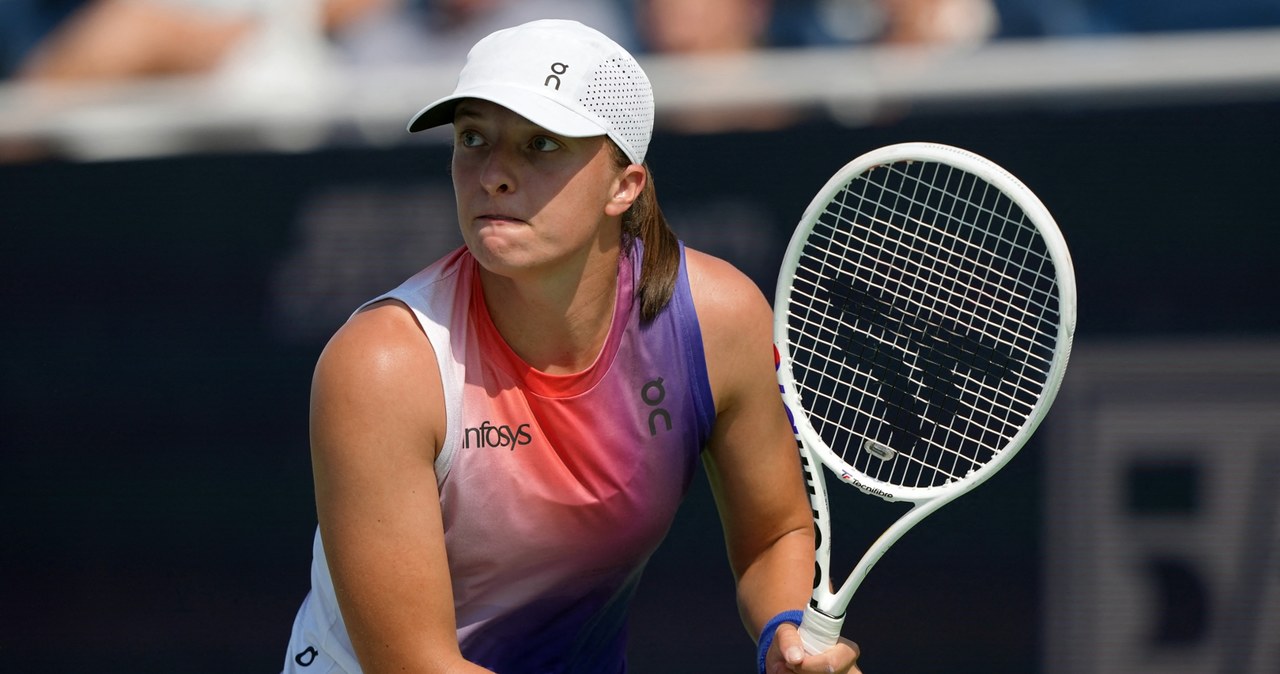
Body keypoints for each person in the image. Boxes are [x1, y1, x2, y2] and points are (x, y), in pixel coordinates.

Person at [280, 18, 861, 674]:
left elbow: (774, 536)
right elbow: (417, 666)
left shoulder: (718, 320)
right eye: (473, 138)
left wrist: (784, 637)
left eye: (540, 145)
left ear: (625, 186)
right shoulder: (383, 365)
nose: (493, 174)